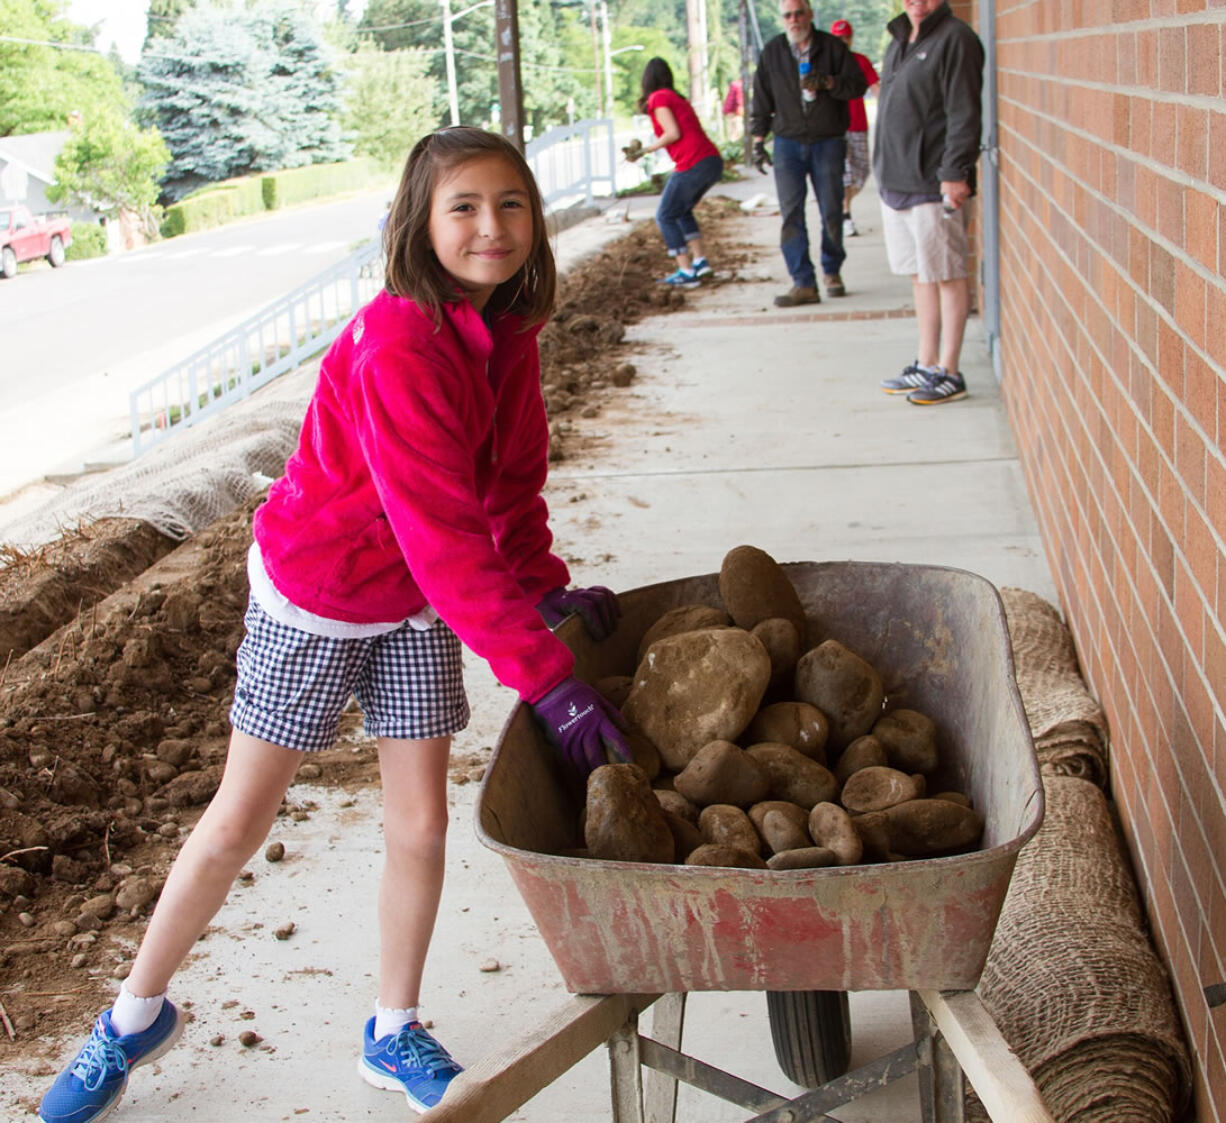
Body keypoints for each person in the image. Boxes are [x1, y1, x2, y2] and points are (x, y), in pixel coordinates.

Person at [37, 126, 629, 1123]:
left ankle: (391, 1025)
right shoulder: (401, 341)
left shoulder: (508, 334)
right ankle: (131, 1016)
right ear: (419, 223)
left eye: (511, 203)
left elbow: (508, 488)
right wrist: (544, 677)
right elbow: (442, 535)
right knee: (238, 818)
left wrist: (538, 585)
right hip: (321, 594)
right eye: (464, 207)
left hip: (412, 607)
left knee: (422, 822)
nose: (492, 226)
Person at [873, 0, 984, 405]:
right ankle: (926, 362)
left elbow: (964, 113)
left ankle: (950, 371)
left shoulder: (956, 39)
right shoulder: (900, 37)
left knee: (946, 274)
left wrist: (955, 172)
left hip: (933, 182)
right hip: (897, 179)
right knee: (920, 275)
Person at [749, 0, 867, 305]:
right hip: (787, 142)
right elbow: (761, 97)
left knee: (831, 209)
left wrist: (829, 82)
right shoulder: (773, 52)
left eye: (799, 13)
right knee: (791, 214)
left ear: (810, 14)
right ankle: (803, 282)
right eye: (787, 15)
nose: (794, 20)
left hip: (827, 139)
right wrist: (759, 139)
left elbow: (856, 85)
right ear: (782, 19)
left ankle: (831, 270)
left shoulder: (832, 48)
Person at [627, 57, 725, 289]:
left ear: (646, 80)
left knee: (665, 215)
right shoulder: (676, 97)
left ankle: (686, 270)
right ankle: (700, 263)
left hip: (694, 161)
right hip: (710, 160)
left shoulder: (658, 98)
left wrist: (644, 150)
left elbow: (673, 133)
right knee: (681, 211)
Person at [829, 19, 880, 237]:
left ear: (851, 38)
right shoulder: (826, 63)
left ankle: (843, 206)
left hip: (858, 124)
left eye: (846, 37)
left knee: (860, 173)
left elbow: (876, 88)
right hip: (834, 127)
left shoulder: (861, 61)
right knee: (845, 174)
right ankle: (844, 215)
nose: (843, 42)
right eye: (838, 38)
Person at [723, 77, 745, 141]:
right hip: (734, 112)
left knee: (731, 130)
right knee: (737, 129)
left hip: (729, 110)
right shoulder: (740, 86)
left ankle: (732, 144)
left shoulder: (735, 84)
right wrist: (741, 110)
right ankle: (737, 144)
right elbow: (739, 101)